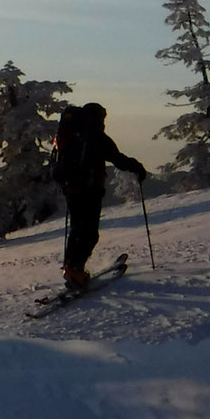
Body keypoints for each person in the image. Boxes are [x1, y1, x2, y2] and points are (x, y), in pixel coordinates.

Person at [52, 102, 147, 291]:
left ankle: (71, 267)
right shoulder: (96, 137)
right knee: (89, 233)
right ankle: (75, 269)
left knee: (77, 228)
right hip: (90, 189)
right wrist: (137, 168)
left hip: (70, 188)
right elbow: (117, 159)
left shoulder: (68, 135)